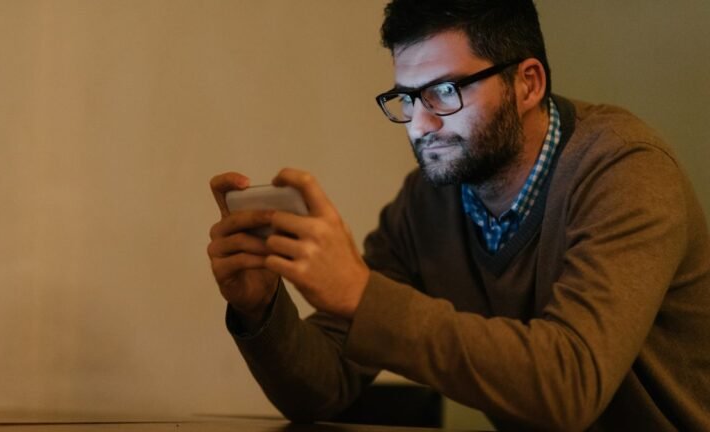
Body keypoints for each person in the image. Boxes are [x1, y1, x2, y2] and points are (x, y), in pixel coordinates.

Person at [207, 0, 710, 430]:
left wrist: (362, 296)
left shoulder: (626, 172)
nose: (421, 124)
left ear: (527, 84)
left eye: (445, 92)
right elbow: (323, 388)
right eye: (407, 97)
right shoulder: (427, 202)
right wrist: (262, 310)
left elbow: (572, 383)